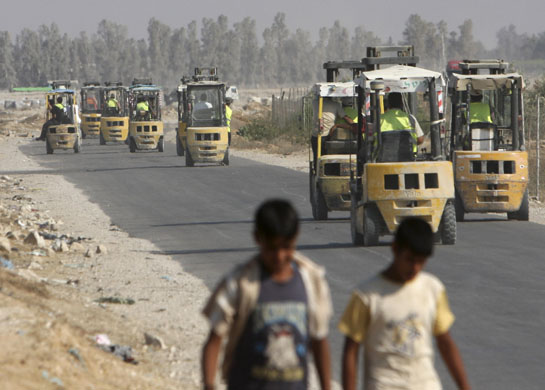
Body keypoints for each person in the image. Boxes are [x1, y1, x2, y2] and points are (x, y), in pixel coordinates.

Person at [202, 199, 333, 390]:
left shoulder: (311, 281)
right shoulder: (240, 282)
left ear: (296, 238)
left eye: (286, 247)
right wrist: (208, 384)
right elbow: (215, 338)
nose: (279, 256)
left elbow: (319, 340)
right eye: (272, 248)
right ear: (258, 238)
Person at [339, 218, 471, 390]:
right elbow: (350, 352)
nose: (415, 268)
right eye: (410, 259)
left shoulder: (432, 289)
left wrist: (464, 386)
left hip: (425, 384)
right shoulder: (366, 296)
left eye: (421, 261)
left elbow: (445, 343)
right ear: (395, 249)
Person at [311, 97, 353, 167]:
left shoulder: (315, 102)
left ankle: (317, 170)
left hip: (316, 135)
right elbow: (345, 117)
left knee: (317, 157)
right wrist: (353, 124)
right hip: (328, 136)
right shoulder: (336, 105)